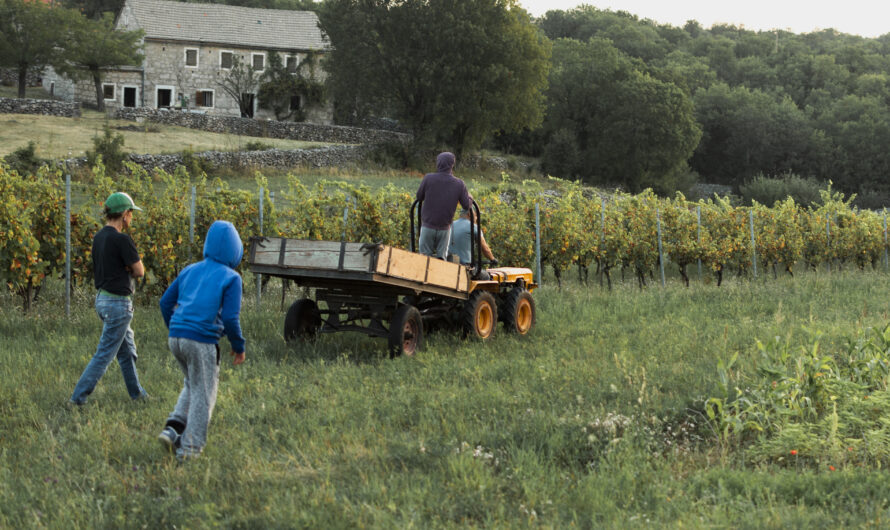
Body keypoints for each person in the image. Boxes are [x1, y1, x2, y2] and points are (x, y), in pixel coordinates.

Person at [157, 220, 246, 461]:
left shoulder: (189, 270)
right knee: (204, 394)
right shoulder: (232, 278)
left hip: (176, 337)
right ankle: (189, 450)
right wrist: (239, 347)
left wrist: (176, 327)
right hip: (201, 341)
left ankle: (173, 428)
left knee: (193, 382)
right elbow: (229, 317)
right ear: (235, 250)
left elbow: (165, 302)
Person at [69, 192, 148, 406]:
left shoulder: (99, 237)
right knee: (104, 354)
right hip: (118, 304)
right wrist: (129, 268)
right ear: (123, 214)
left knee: (127, 352)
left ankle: (138, 395)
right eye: (131, 213)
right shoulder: (122, 239)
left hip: (102, 299)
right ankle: (77, 398)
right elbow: (140, 271)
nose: (131, 218)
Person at [415, 151, 472, 259]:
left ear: (438, 163)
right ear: (452, 165)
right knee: (442, 259)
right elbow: (466, 205)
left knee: (423, 258)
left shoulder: (428, 178)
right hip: (445, 228)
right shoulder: (459, 184)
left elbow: (419, 197)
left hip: (427, 226)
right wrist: (470, 198)